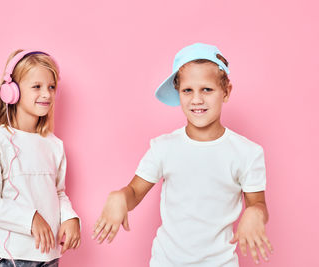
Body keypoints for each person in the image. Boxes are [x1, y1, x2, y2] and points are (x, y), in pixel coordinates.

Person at [93, 43, 273, 266]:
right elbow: (134, 193)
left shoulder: (248, 153)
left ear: (226, 92)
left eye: (207, 89)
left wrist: (255, 213)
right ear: (178, 93)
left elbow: (258, 204)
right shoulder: (164, 147)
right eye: (188, 90)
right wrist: (119, 196)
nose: (196, 99)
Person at [0, 50, 80, 267]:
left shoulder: (54, 145)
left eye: (51, 87)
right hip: (13, 257)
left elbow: (57, 192)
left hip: (48, 256)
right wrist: (31, 218)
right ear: (11, 92)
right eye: (37, 86)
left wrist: (70, 217)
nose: (47, 94)